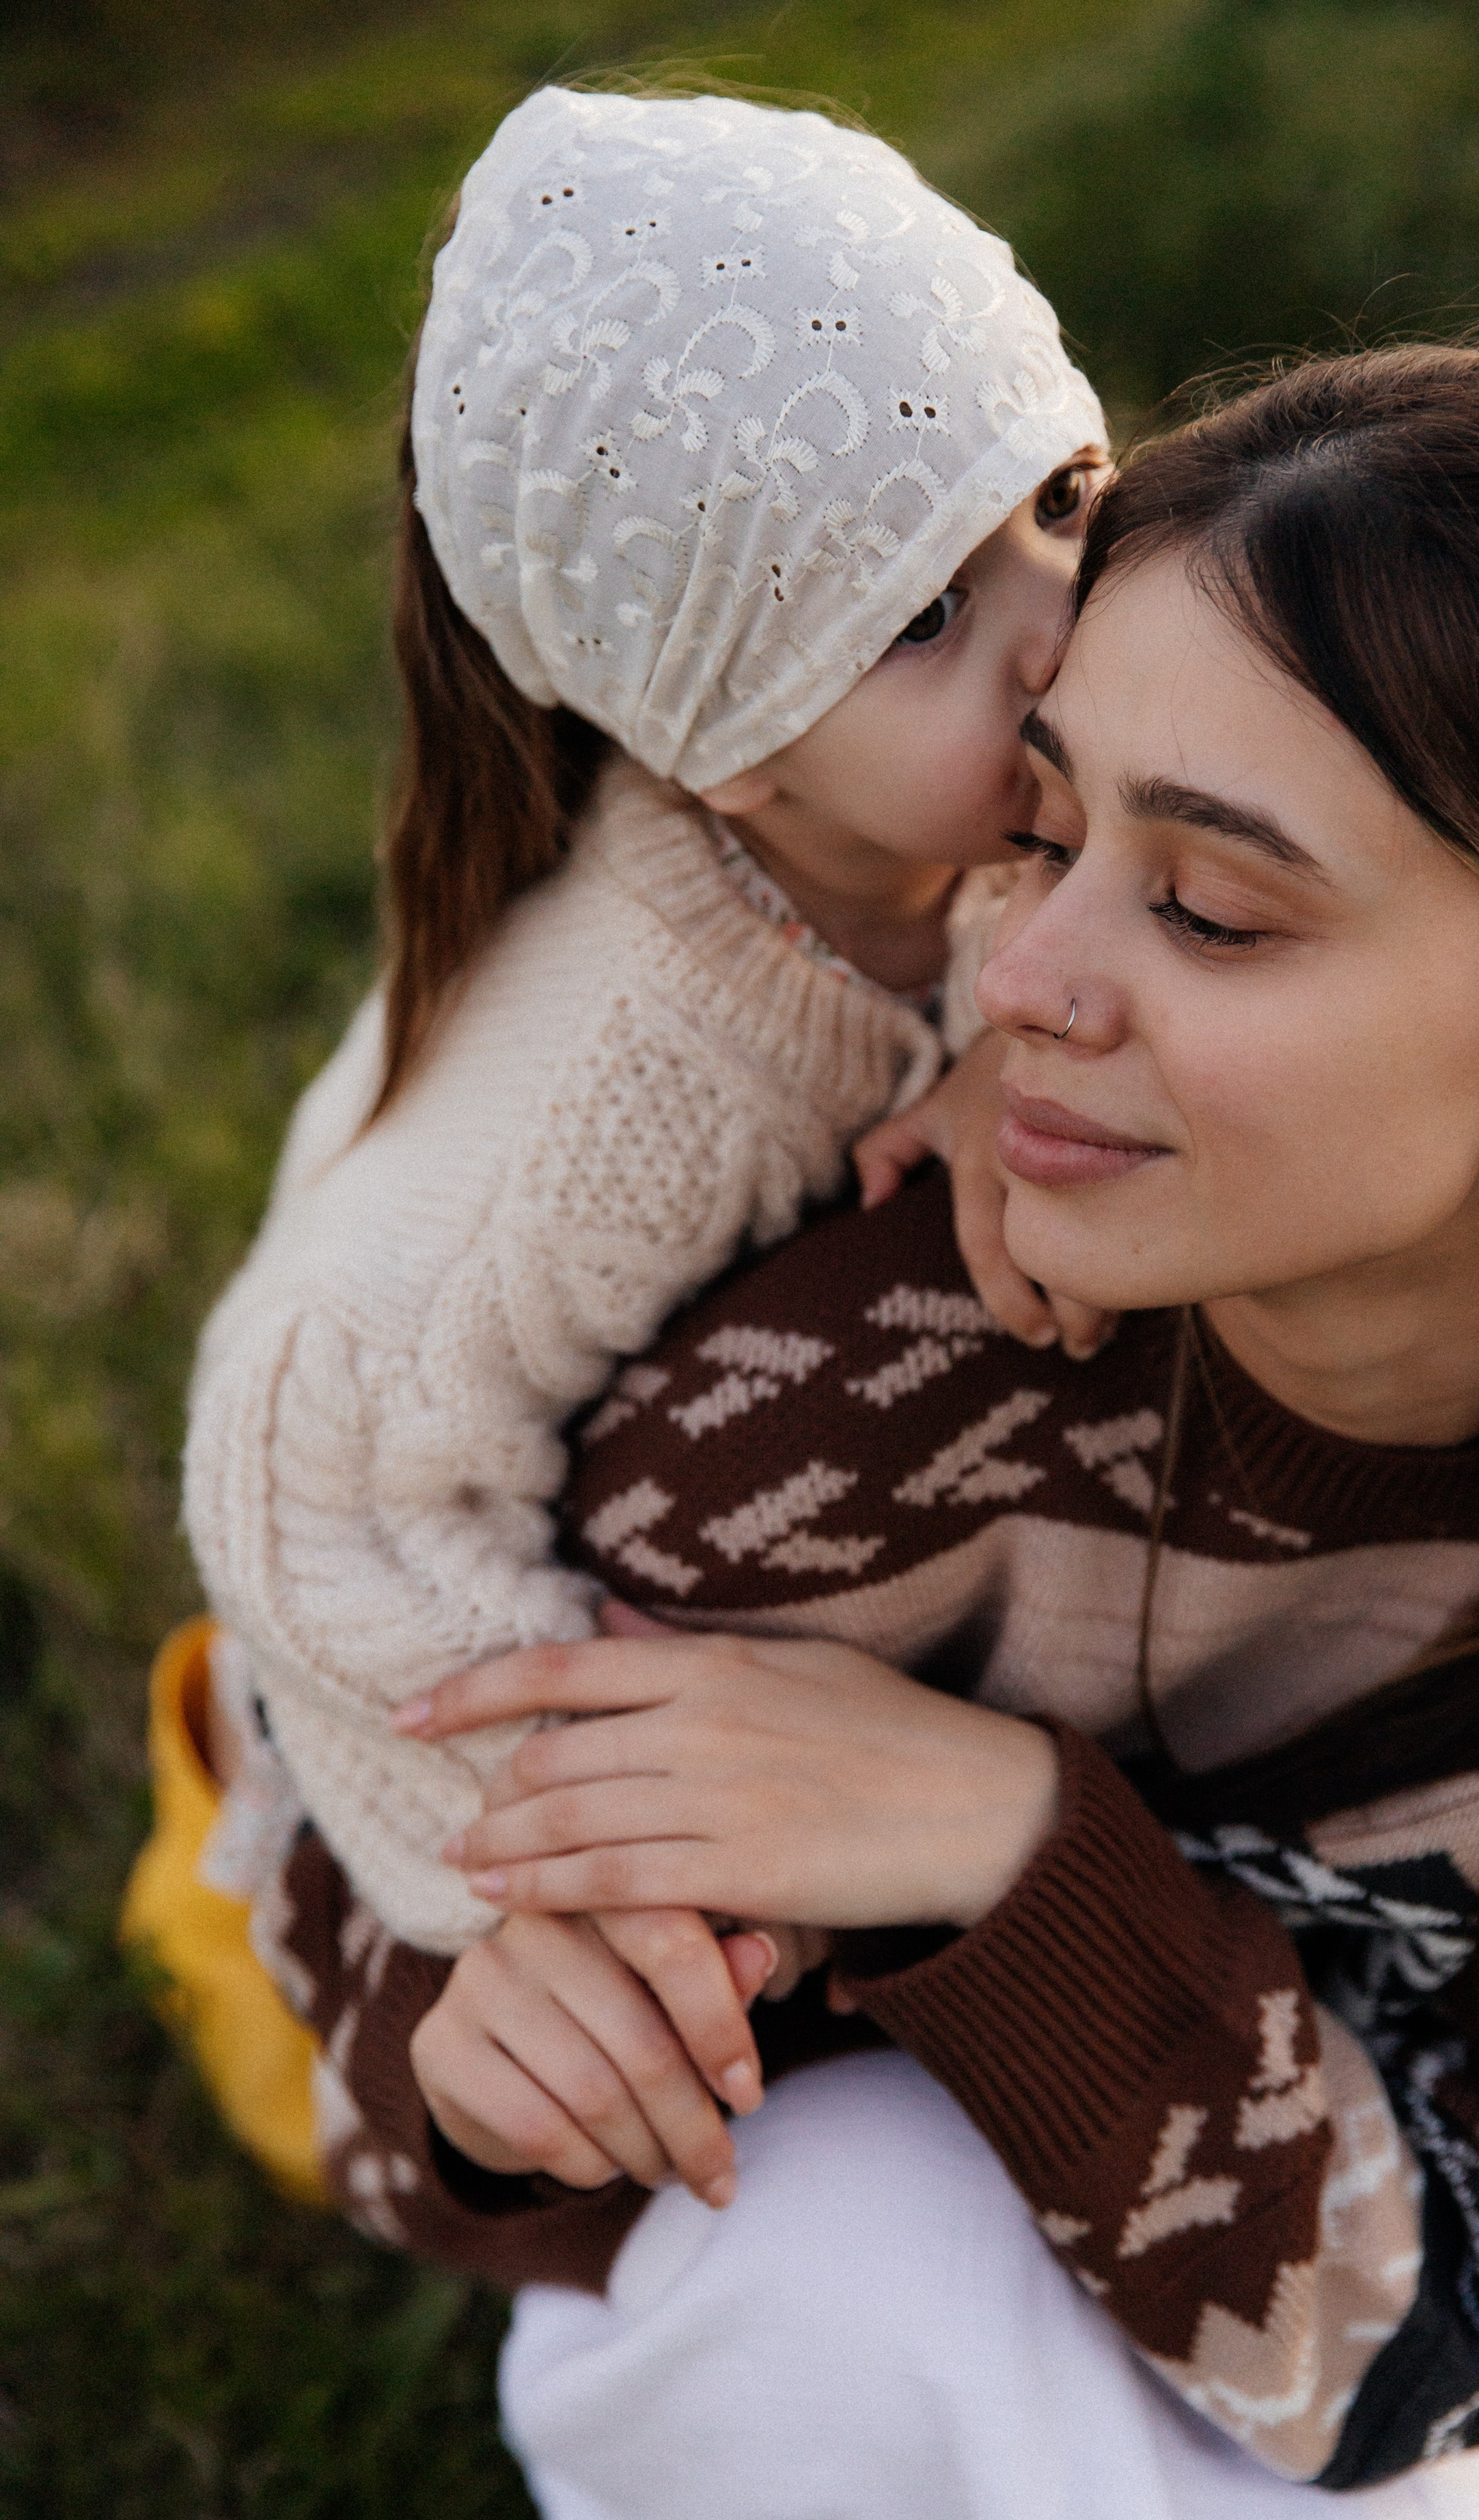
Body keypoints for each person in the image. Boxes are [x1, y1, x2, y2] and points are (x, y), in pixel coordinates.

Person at [255, 322, 1479, 2520]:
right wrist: (499, 2073)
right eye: (1035, 833)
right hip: (879, 2250)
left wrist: (1019, 1854)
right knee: (869, 2261)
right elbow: (380, 2012)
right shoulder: (813, 1425)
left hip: (1365, 2221)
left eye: (1214, 909)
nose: (1025, 978)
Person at [171, 81, 1107, 2013]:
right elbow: (299, 1455)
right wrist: (604, 1848)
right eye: (927, 613)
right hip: (392, 1631)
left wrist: (1010, 1048)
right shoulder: (618, 1081)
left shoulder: (988, 796)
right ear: (728, 751)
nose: (1065, 623)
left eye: (1065, 499)